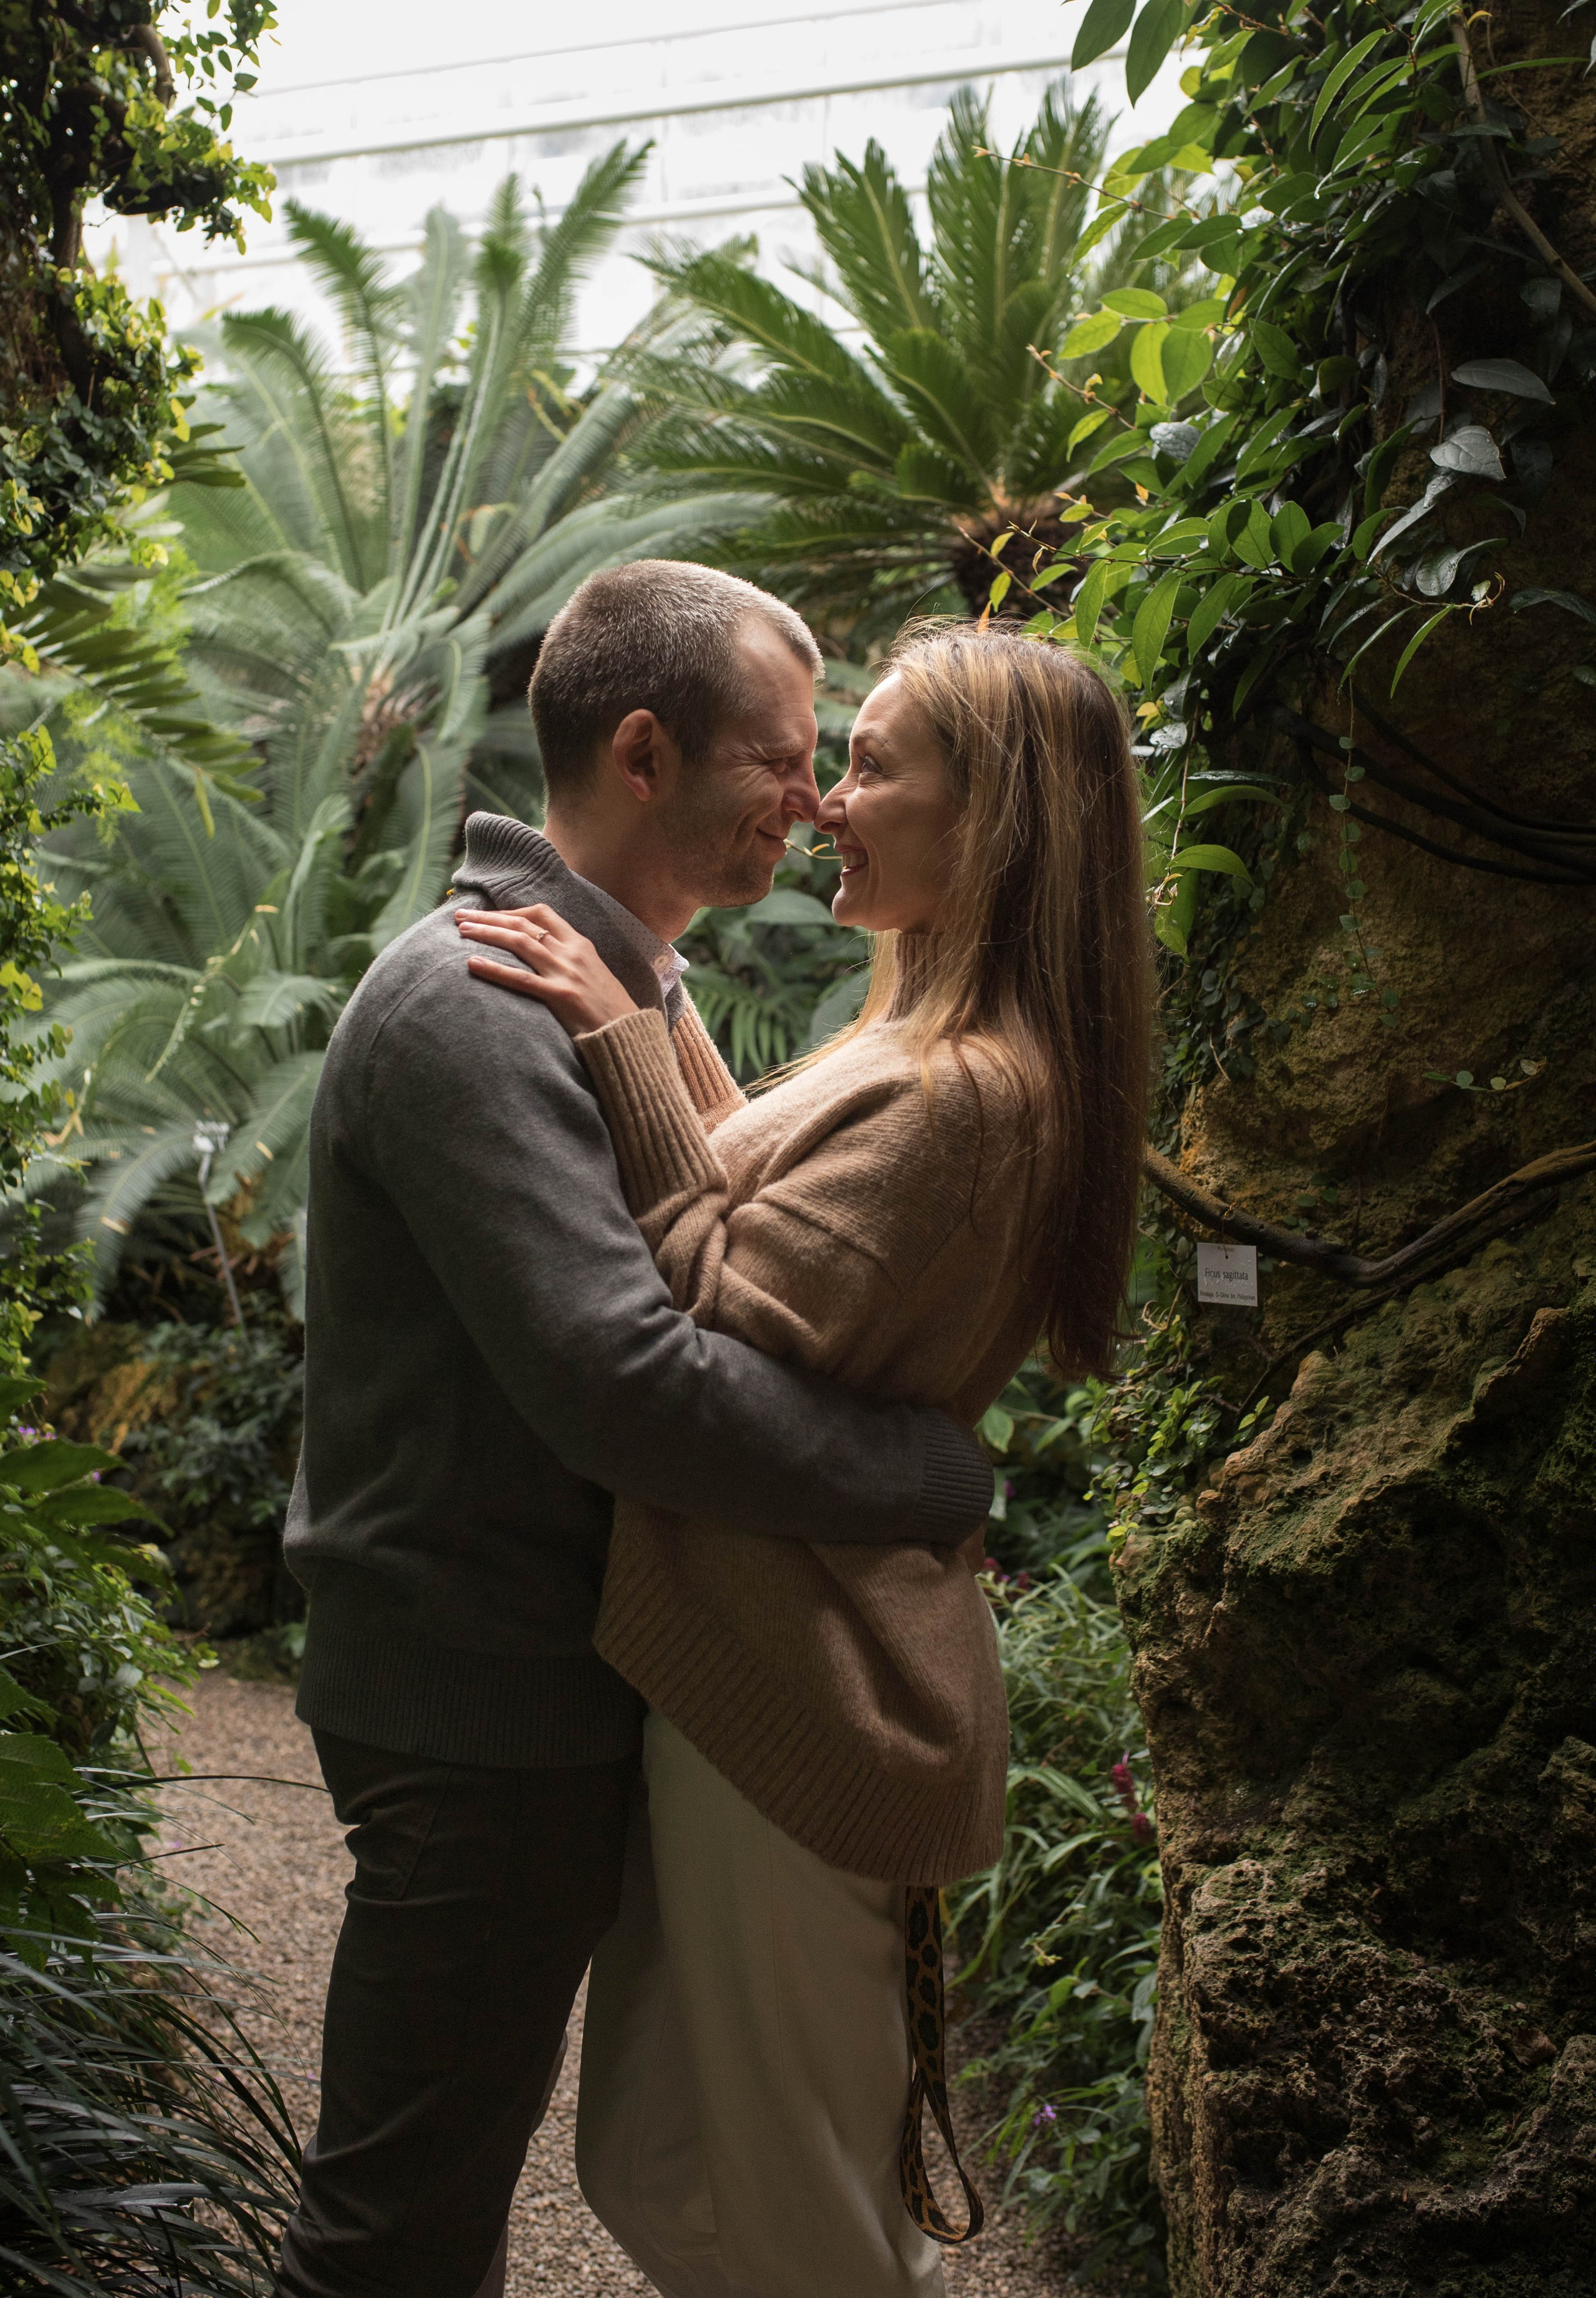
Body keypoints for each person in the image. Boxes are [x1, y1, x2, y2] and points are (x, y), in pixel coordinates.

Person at [275, 565, 996, 2298]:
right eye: (780, 756)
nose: (812, 799)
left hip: (556, 1695)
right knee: (399, 2227)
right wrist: (928, 1476)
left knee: (476, 2196)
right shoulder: (476, 1003)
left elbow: (715, 1252)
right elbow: (626, 1382)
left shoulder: (625, 995)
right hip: (482, 1709)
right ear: (647, 753)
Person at [454, 620, 1152, 2298]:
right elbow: (748, 1200)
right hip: (771, 1680)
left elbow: (716, 1321)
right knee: (657, 2164)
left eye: (872, 766)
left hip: (816, 1695)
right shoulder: (910, 1051)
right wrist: (653, 1006)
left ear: (993, 818)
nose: (828, 802)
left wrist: (624, 1041)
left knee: (806, 2223)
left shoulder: (969, 1095)